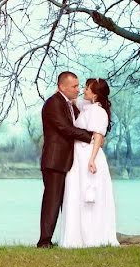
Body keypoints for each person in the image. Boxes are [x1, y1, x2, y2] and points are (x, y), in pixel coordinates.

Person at [59, 77, 120, 248]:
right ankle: (76, 236)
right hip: (78, 155)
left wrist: (92, 159)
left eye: (86, 88)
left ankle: (92, 235)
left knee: (88, 195)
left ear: (94, 94)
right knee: (76, 193)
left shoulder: (98, 112)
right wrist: (62, 90)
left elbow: (98, 136)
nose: (83, 90)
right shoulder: (88, 107)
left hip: (88, 156)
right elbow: (74, 100)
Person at [37, 71, 95, 248]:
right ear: (62, 86)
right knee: (52, 201)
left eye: (79, 86)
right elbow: (65, 128)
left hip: (67, 161)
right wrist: (91, 136)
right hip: (55, 161)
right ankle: (44, 241)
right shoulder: (53, 103)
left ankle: (70, 238)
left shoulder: (69, 104)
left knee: (67, 201)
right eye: (74, 86)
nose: (78, 89)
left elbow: (84, 117)